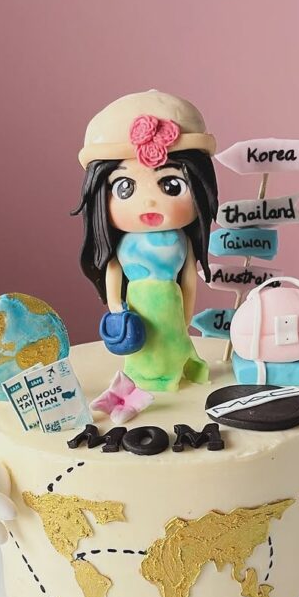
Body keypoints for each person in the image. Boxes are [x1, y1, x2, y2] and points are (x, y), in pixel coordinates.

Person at [74, 90, 218, 392]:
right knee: (144, 351)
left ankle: (175, 368)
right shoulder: (124, 245)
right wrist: (116, 307)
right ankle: (147, 377)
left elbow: (189, 278)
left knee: (171, 344)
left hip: (171, 306)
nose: (149, 202)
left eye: (171, 185)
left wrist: (186, 315)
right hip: (138, 308)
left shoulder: (182, 241)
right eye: (125, 187)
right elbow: (114, 270)